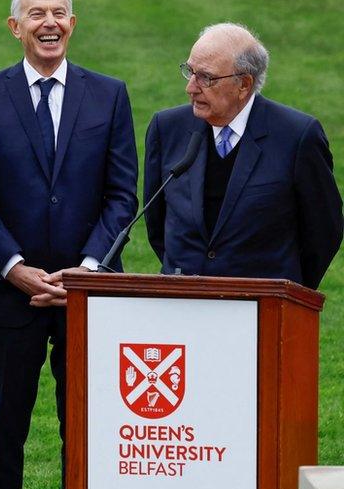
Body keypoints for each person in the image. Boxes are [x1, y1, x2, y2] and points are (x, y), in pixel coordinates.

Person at [0, 0, 138, 489]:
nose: (50, 24)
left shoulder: (108, 95)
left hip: (89, 298)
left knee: (85, 431)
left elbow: (122, 197)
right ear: (15, 26)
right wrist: (14, 268)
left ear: (73, 23)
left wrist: (87, 274)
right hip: (7, 296)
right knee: (2, 431)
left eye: (59, 14)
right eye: (36, 14)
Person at [144, 23, 343, 290]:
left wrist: (285, 292)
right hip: (184, 303)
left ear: (244, 84)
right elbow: (157, 223)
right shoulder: (167, 128)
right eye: (190, 72)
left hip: (263, 307)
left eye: (206, 78)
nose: (191, 88)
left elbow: (323, 231)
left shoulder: (297, 136)